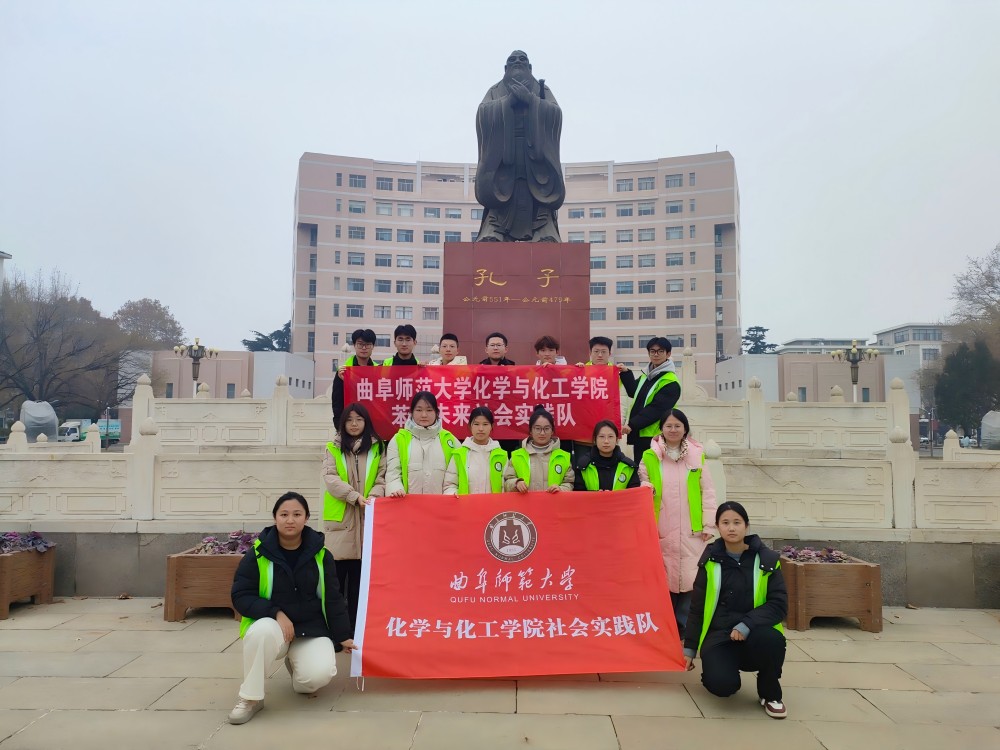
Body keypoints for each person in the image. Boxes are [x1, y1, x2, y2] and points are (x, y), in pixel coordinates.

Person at [229, 492, 355, 725]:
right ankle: (250, 698)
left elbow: (333, 598)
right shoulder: (257, 554)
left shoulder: (322, 555)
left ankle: (296, 665)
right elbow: (241, 595)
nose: (290, 520)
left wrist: (343, 635)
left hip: (310, 628)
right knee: (261, 632)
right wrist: (276, 613)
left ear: (306, 518)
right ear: (275, 517)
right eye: (284, 514)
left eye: (297, 514)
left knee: (315, 678)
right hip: (273, 626)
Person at [684, 501, 788, 720]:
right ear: (717, 527)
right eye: (725, 523)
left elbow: (778, 604)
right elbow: (697, 607)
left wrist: (747, 624)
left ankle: (770, 694)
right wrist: (690, 649)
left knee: (773, 640)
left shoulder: (767, 561)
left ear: (746, 526)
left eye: (737, 522)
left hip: (756, 632)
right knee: (722, 686)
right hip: (719, 634)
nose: (731, 528)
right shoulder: (710, 561)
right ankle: (721, 670)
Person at [638, 408, 717, 634]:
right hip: (660, 525)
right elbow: (643, 484)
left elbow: (707, 491)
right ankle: (665, 626)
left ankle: (685, 628)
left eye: (677, 426)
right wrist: (646, 487)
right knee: (664, 576)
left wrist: (708, 524)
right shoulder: (650, 456)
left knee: (690, 576)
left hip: (692, 527)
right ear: (661, 429)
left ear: (685, 429)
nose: (673, 430)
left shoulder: (697, 455)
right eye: (668, 426)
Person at [475, 50, 564, 243]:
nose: (517, 62)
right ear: (505, 68)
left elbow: (555, 114)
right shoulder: (495, 90)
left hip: (535, 150)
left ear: (530, 67)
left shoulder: (541, 89)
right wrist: (508, 102)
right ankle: (494, 228)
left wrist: (531, 100)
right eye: (512, 60)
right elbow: (483, 114)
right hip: (504, 152)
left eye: (522, 59)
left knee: (541, 186)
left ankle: (544, 227)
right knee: (501, 186)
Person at [321, 403, 386, 630]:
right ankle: (337, 632)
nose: (354, 424)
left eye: (359, 419)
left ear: (366, 422)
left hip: (367, 521)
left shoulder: (378, 447)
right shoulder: (332, 448)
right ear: (342, 423)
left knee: (360, 586)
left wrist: (373, 497)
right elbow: (330, 479)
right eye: (349, 420)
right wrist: (354, 496)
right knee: (336, 585)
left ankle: (356, 632)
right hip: (341, 524)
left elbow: (382, 477)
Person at [572, 336, 635, 460]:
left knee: (607, 464)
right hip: (584, 431)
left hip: (608, 429)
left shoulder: (617, 372)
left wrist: (626, 373)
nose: (600, 355)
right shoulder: (581, 370)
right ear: (590, 353)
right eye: (596, 351)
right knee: (583, 464)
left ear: (610, 353)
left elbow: (631, 393)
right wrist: (575, 371)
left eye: (603, 351)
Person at [386, 391, 459, 496]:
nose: (424, 415)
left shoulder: (450, 441)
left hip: (442, 505)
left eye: (429, 410)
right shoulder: (398, 440)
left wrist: (451, 494)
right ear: (412, 412)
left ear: (436, 412)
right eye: (419, 410)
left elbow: (454, 479)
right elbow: (393, 475)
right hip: (407, 505)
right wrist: (396, 490)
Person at [623, 337, 681, 459]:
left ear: (668, 354)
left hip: (658, 436)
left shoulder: (670, 381)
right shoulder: (647, 375)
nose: (656, 354)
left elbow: (656, 409)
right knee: (641, 468)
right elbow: (633, 392)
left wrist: (632, 424)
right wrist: (625, 373)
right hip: (641, 434)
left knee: (655, 469)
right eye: (652, 351)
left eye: (660, 351)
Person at [504, 405, 574, 493]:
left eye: (546, 428)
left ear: (552, 431)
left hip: (554, 502)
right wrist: (516, 483)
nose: (542, 433)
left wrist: (561, 489)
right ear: (530, 431)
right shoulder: (517, 456)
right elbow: (507, 481)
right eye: (537, 428)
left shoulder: (563, 456)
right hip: (525, 502)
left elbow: (569, 483)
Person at [444, 406, 509, 495]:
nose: (481, 428)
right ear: (470, 426)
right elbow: (449, 485)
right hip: (465, 504)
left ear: (492, 426)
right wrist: (454, 495)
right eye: (476, 424)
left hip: (494, 504)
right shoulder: (459, 454)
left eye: (485, 424)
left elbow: (506, 486)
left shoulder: (501, 455)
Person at [574, 420, 640, 491]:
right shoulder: (583, 466)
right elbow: (578, 494)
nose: (606, 441)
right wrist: (595, 495)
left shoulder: (628, 467)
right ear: (595, 439)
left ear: (616, 439)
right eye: (601, 436)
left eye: (610, 436)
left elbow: (635, 495)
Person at [331, 328, 376, 425]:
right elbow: (337, 402)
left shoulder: (378, 370)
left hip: (372, 422)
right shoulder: (344, 371)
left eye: (368, 344)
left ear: (373, 346)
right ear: (354, 345)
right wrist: (339, 426)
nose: (364, 348)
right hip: (351, 423)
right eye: (360, 344)